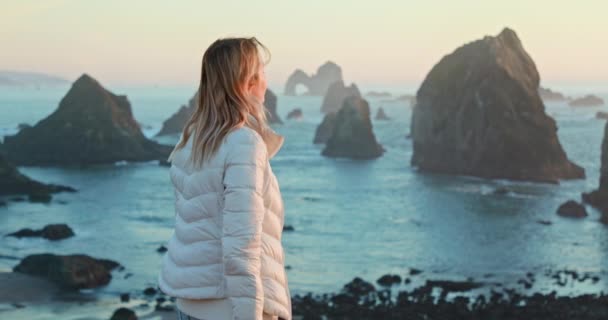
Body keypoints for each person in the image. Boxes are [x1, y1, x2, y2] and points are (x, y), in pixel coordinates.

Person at [157, 37, 292, 320]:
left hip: (190, 305)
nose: (267, 81)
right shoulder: (243, 144)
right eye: (262, 72)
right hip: (231, 310)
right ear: (247, 82)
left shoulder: (192, 141)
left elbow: (193, 229)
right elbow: (241, 244)